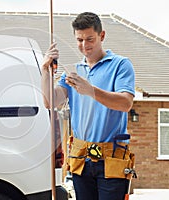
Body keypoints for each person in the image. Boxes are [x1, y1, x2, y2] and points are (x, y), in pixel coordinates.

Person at [41, 12, 135, 200]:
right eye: (80, 40)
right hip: (80, 159)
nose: (85, 45)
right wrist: (45, 70)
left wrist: (90, 90)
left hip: (111, 159)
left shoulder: (120, 65)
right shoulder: (73, 72)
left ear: (102, 36)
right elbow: (50, 102)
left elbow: (125, 103)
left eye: (90, 39)